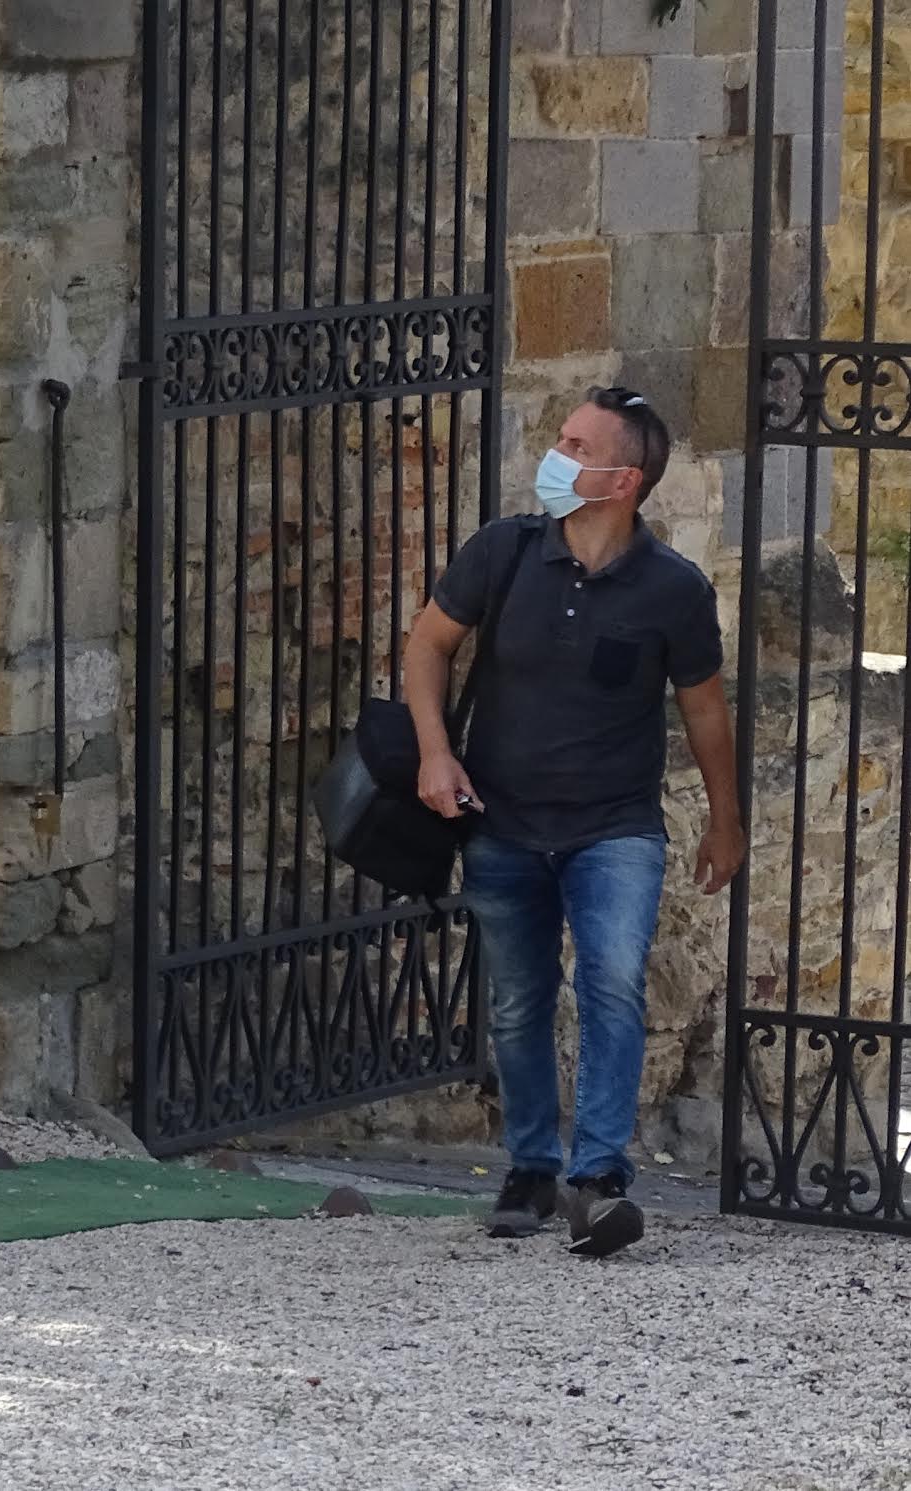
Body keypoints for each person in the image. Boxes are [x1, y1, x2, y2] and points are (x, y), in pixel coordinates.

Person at [402, 386, 744, 1257]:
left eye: (576, 445)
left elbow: (705, 711)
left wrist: (726, 821)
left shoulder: (674, 590)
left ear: (624, 480)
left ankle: (597, 1180)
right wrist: (436, 752)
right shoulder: (503, 551)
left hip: (614, 827)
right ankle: (529, 1167)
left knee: (612, 982)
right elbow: (428, 644)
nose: (555, 456)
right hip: (502, 821)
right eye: (561, 437)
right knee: (519, 1000)